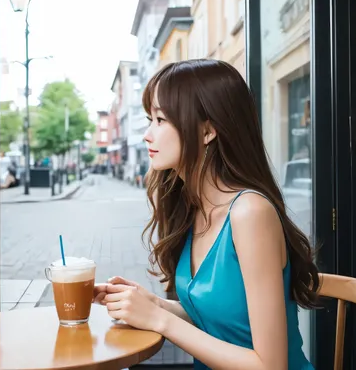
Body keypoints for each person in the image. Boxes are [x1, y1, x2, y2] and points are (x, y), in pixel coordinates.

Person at [93, 59, 319, 370]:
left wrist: (159, 320)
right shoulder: (197, 208)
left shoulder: (250, 213)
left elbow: (271, 365)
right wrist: (152, 304)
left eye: (160, 120)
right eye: (150, 119)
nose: (147, 134)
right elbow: (220, 318)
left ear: (207, 130)